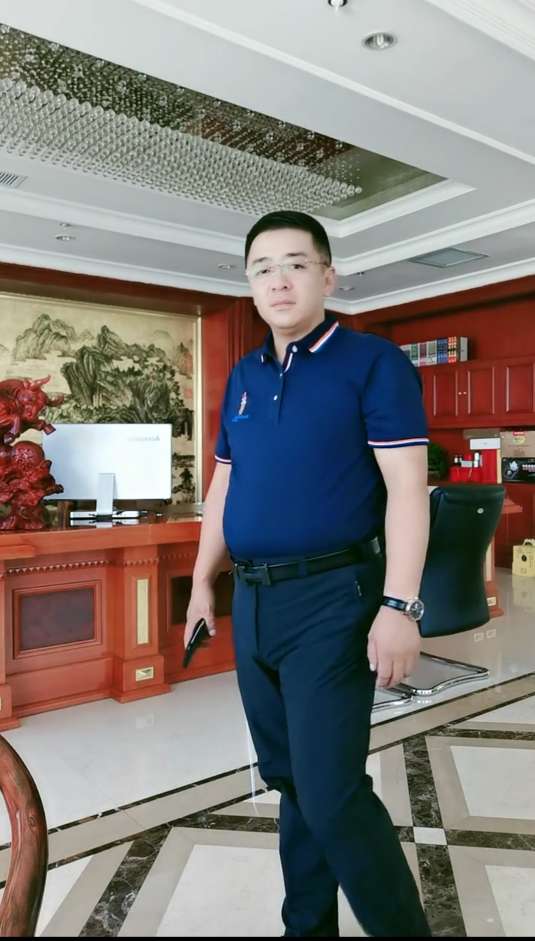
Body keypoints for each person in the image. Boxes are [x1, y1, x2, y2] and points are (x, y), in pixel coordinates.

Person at [185, 210, 432, 937]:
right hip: (254, 601)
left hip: (334, 598)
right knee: (292, 779)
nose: (279, 280)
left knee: (330, 793)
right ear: (250, 284)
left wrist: (400, 606)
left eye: (296, 264)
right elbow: (224, 486)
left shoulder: (373, 363)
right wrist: (201, 581)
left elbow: (407, 490)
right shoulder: (244, 375)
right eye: (262, 268)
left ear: (328, 276)